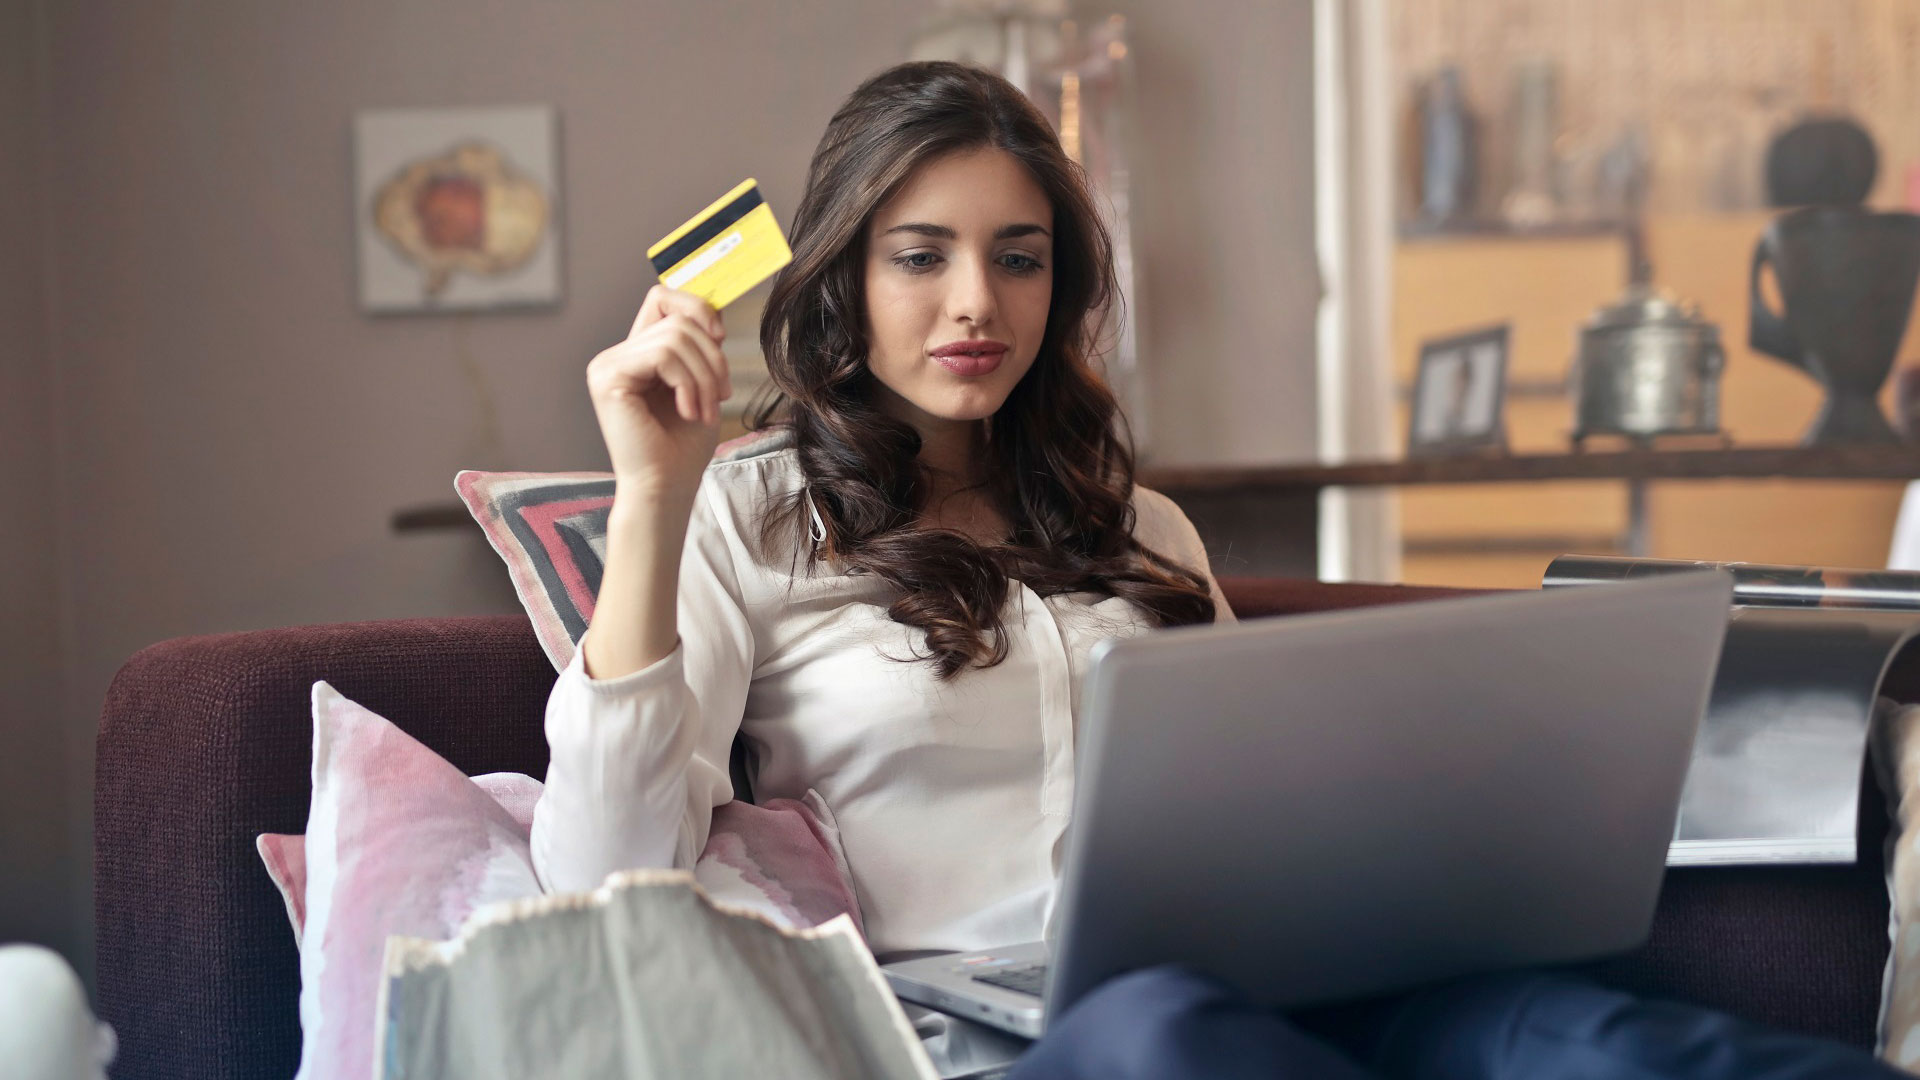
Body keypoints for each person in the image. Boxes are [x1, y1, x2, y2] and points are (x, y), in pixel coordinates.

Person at [531, 60, 1900, 1079]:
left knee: (1584, 1035)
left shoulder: (1143, 532)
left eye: (1020, 260)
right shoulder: (745, 522)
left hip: (1273, 986)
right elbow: (602, 876)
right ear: (843, 282)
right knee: (1163, 1032)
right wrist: (654, 496)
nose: (975, 306)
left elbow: (1272, 813)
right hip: (1006, 1038)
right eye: (921, 258)